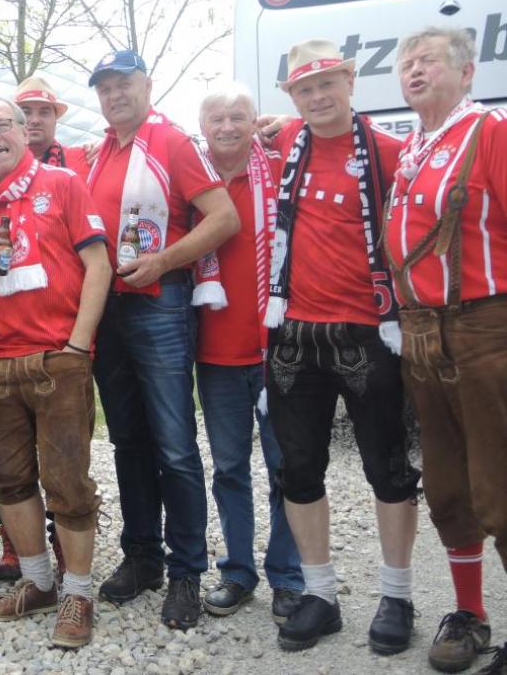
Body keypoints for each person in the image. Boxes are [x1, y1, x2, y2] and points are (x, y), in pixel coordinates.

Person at [265, 39, 420, 654]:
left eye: (328, 82)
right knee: (297, 469)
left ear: (350, 80)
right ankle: (320, 593)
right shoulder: (279, 146)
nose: (318, 96)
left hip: (367, 332)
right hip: (293, 334)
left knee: (388, 467)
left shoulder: (389, 151)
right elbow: (219, 145)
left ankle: (398, 593)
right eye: (305, 88)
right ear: (294, 98)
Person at [86, 49, 239, 630]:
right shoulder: (99, 152)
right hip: (111, 308)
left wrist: (164, 261)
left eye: (123, 83)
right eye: (104, 87)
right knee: (128, 441)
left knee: (174, 443)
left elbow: (224, 217)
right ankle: (142, 556)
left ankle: (186, 572)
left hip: (160, 303)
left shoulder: (169, 141)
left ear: (146, 84)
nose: (114, 94)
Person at [0, 95, 111, 648]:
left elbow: (99, 264)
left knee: (68, 481)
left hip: (58, 357)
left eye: (2, 125)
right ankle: (38, 583)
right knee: (9, 479)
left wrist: (78, 345)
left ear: (24, 132)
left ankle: (78, 592)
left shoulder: (63, 184)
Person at [385, 27, 507, 675]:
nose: (413, 69)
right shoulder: (414, 149)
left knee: (502, 487)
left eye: (428, 59)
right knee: (449, 488)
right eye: (406, 62)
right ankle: (469, 616)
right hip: (423, 336)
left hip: (486, 329)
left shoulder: (491, 134)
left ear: (467, 73)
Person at [193, 84, 303, 623]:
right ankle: (237, 571)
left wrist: (292, 120)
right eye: (217, 118)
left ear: (255, 121)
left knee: (286, 466)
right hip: (216, 355)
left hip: (277, 349)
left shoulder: (281, 169)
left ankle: (288, 575)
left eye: (239, 117)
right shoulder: (190, 180)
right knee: (230, 468)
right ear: (203, 125)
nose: (229, 127)